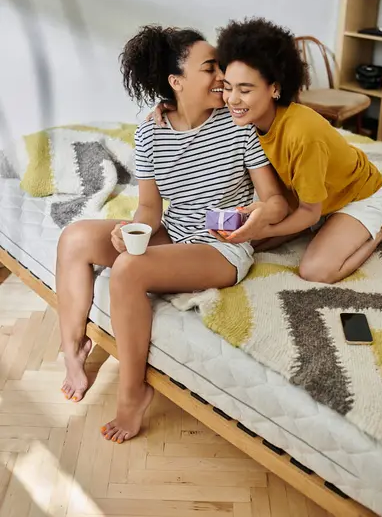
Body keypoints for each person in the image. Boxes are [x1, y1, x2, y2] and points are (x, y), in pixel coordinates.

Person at [56, 25, 288, 443]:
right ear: (176, 82)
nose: (222, 76)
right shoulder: (150, 132)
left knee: (128, 270)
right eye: (210, 67)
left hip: (221, 248)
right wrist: (132, 229)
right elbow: (149, 208)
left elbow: (274, 200)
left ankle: (132, 393)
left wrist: (257, 215)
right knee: (74, 237)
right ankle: (72, 350)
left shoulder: (238, 125)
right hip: (174, 235)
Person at [151, 18, 382, 284]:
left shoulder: (302, 133)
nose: (232, 99)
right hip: (307, 195)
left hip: (355, 197)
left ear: (275, 88)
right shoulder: (245, 115)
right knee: (243, 243)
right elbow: (196, 102)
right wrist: (168, 104)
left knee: (315, 271)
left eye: (245, 89)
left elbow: (309, 211)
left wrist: (263, 229)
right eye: (228, 87)